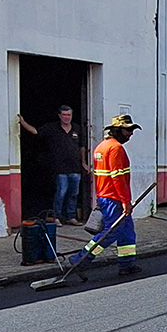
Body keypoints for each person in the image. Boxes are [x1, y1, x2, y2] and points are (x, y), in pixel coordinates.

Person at [70, 114, 142, 277]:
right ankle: (81, 259)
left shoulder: (101, 147)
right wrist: (125, 202)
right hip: (114, 198)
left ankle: (127, 264)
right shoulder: (116, 148)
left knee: (127, 231)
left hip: (106, 196)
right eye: (127, 130)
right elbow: (117, 179)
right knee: (111, 232)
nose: (130, 134)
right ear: (117, 130)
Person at [17, 105, 89, 225]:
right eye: (64, 115)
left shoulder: (77, 128)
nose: (67, 117)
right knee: (61, 193)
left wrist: (83, 162)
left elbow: (82, 147)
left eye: (69, 115)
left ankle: (71, 217)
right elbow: (35, 131)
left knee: (73, 194)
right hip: (59, 168)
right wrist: (23, 122)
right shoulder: (52, 128)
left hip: (75, 168)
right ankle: (57, 217)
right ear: (59, 116)